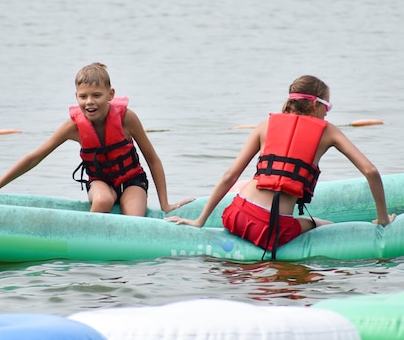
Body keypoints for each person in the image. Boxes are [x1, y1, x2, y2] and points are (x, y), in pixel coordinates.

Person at [166, 75, 395, 258]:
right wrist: (383, 219)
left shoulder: (266, 124)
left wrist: (200, 221)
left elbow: (230, 175)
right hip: (271, 230)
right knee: (325, 224)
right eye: (328, 106)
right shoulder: (327, 131)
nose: (327, 112)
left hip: (234, 216)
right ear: (316, 104)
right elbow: (371, 171)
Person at [0, 62, 192, 215]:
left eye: (97, 95)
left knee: (134, 220)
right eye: (83, 97)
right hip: (100, 182)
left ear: (110, 95)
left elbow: (153, 160)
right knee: (103, 200)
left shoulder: (127, 119)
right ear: (76, 97)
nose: (89, 102)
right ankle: (90, 244)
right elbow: (36, 157)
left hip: (132, 181)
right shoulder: (73, 126)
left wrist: (165, 204)